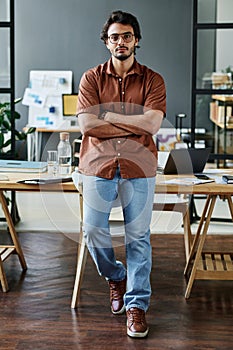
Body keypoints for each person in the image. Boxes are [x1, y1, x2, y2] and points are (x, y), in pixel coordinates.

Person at [73, 10, 166, 338]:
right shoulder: (91, 79)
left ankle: (137, 304)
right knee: (93, 231)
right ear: (107, 41)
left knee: (138, 237)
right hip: (97, 166)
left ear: (136, 40)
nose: (121, 41)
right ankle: (116, 276)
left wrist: (108, 114)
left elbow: (153, 126)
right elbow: (87, 126)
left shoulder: (153, 80)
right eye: (115, 36)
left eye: (127, 36)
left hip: (139, 169)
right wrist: (133, 121)